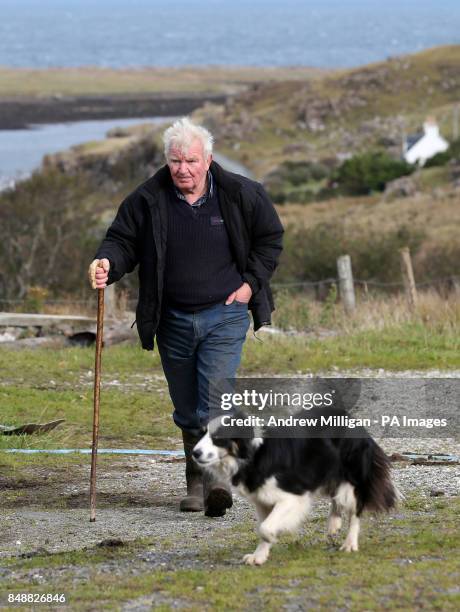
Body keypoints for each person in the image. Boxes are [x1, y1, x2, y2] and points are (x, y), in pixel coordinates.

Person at [88, 117, 283, 517]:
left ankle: (217, 481)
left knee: (214, 399)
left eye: (191, 160)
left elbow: (270, 239)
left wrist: (249, 285)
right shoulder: (147, 199)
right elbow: (122, 240)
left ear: (207, 160)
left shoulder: (241, 193)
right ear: (167, 160)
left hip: (225, 313)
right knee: (185, 406)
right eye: (176, 161)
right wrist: (107, 261)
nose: (183, 169)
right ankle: (195, 477)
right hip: (172, 318)